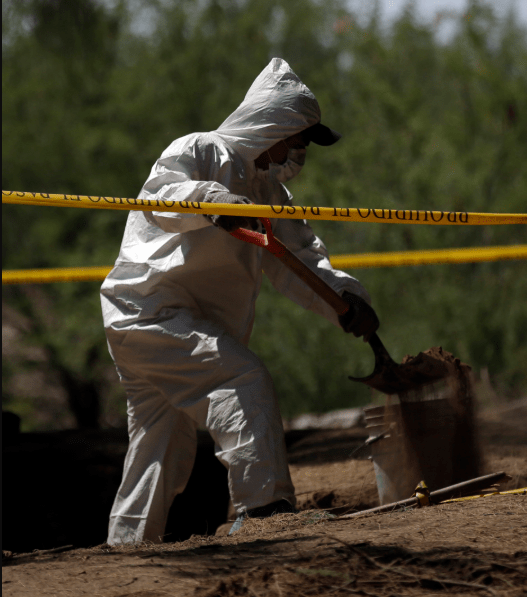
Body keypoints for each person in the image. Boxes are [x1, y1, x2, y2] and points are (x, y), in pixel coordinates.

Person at [100, 58, 378, 545]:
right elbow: (163, 197)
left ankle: (127, 553)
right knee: (243, 381)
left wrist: (347, 299)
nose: (300, 151)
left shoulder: (270, 191)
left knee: (160, 450)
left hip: (167, 327)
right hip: (151, 313)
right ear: (275, 125)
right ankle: (266, 512)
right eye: (299, 138)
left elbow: (300, 261)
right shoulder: (200, 150)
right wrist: (214, 203)